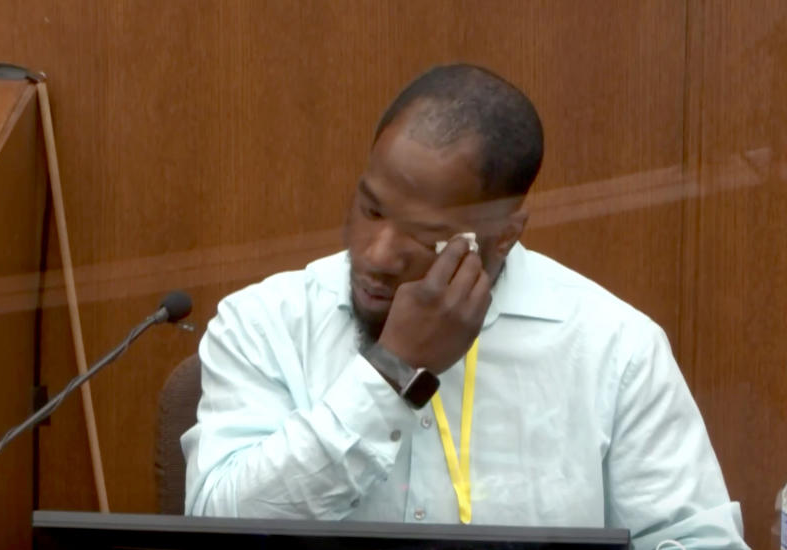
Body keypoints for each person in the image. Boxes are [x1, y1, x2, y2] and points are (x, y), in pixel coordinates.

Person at [182, 64, 748, 549]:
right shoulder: (264, 323)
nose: (376, 256)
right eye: (371, 210)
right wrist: (391, 373)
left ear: (502, 236)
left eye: (423, 238)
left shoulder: (612, 348)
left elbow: (698, 539)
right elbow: (216, 530)